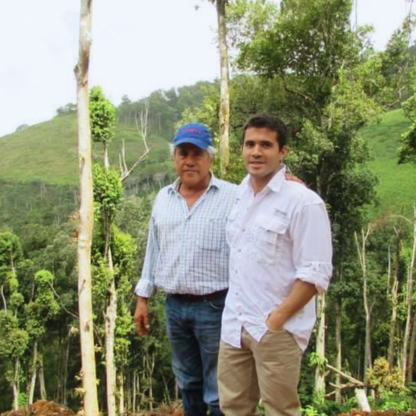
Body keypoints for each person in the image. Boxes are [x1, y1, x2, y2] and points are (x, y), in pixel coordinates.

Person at [218, 114, 333, 416]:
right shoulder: (239, 195)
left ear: (282, 152)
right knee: (233, 408)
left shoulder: (303, 202)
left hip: (276, 330)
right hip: (235, 324)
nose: (256, 151)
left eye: (266, 145)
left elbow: (315, 273)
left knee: (280, 410)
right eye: (250, 144)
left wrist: (276, 321)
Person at [134, 122, 236, 416]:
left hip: (217, 306)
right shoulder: (162, 199)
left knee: (218, 389)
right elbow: (153, 248)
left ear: (210, 158)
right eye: (182, 153)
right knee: (188, 382)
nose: (189, 160)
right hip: (175, 307)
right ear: (174, 158)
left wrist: (289, 182)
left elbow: (266, 203)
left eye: (197, 153)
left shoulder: (233, 196)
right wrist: (143, 298)